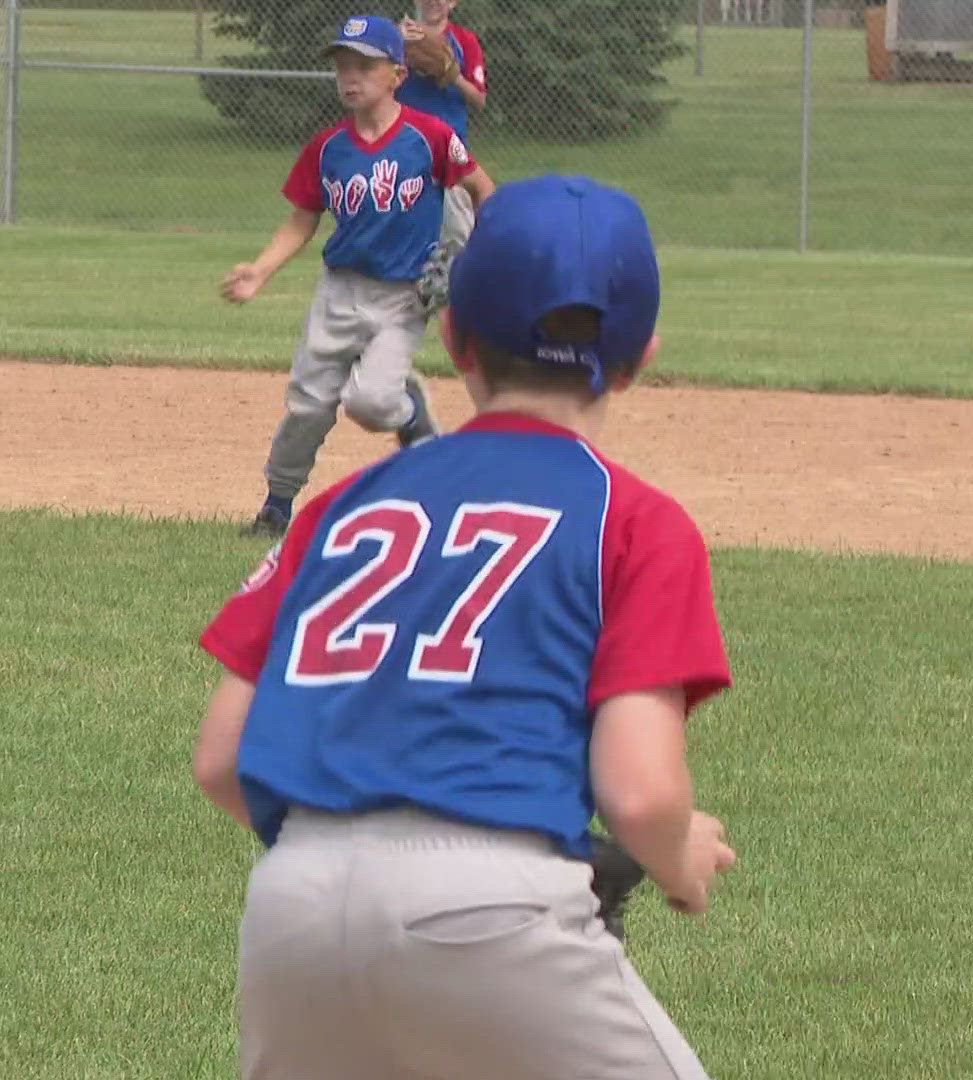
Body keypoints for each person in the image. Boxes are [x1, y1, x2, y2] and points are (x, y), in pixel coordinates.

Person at [193, 173, 738, 1079]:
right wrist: (680, 858)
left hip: (291, 911)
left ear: (452, 340)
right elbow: (639, 794)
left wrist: (357, 856)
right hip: (493, 907)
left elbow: (222, 760)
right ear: (642, 353)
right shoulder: (633, 520)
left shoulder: (338, 508)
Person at [222, 14, 496, 539]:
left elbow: (482, 189)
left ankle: (408, 410)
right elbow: (303, 218)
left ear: (397, 75)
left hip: (402, 297)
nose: (350, 77)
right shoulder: (328, 148)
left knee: (370, 403)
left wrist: (481, 250)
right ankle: (277, 504)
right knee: (308, 404)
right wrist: (260, 270)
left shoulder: (430, 137)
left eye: (365, 67)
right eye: (343, 66)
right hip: (340, 292)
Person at [397, 0, 488, 248]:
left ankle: (457, 283)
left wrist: (452, 75)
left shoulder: (464, 40)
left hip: (449, 149)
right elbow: (375, 86)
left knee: (456, 237)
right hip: (402, 147)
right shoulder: (396, 38)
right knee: (403, 234)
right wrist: (395, 47)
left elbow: (479, 99)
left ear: (453, 2)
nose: (434, 2)